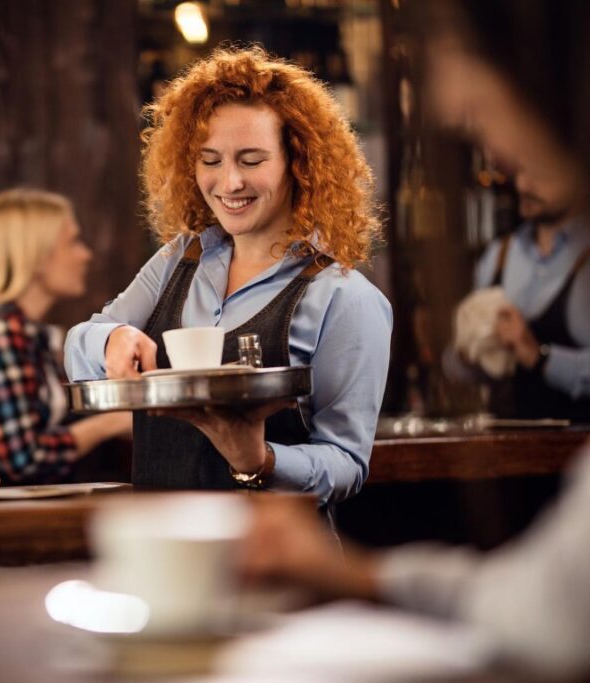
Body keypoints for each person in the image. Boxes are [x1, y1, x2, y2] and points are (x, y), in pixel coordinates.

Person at [241, 1, 590, 676]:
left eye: (465, 52)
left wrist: (538, 354)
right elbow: (545, 595)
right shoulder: (496, 258)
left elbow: (347, 455)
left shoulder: (352, 298)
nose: (452, 100)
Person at [64, 47, 391, 506]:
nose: (230, 182)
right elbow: (80, 343)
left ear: (299, 163)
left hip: (270, 559)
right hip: (162, 550)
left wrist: (259, 461)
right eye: (210, 160)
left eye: (252, 160)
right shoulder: (181, 258)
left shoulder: (345, 297)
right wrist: (110, 338)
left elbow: (346, 465)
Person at [0, 189, 131, 485]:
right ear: (37, 256)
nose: (86, 254)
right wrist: (115, 422)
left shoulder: (29, 333)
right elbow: (23, 460)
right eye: (73, 242)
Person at [450, 162, 589, 421]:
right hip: (509, 452)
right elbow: (461, 369)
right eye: (522, 171)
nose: (523, 185)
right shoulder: (498, 256)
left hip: (579, 454)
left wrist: (538, 355)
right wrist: (465, 353)